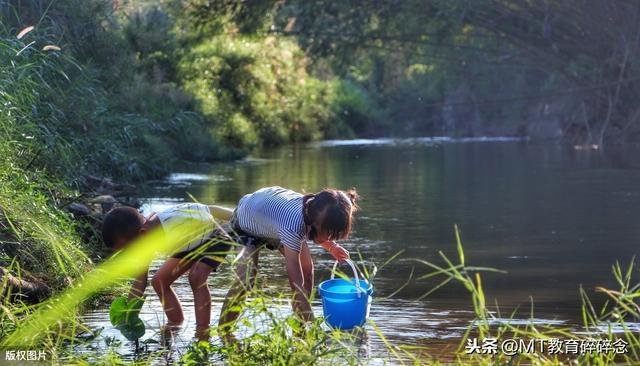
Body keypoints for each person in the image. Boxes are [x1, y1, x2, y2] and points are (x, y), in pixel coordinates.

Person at [219, 186, 358, 338]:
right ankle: (224, 331)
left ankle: (299, 331)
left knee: (307, 270)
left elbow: (317, 233)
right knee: (246, 279)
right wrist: (314, 328)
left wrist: (332, 246)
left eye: (332, 234)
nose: (329, 237)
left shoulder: (314, 209)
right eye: (326, 232)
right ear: (312, 218)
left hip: (273, 220)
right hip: (247, 220)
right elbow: (296, 284)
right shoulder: (293, 226)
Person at [102, 202, 242, 340]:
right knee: (159, 281)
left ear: (143, 234)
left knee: (197, 277)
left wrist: (240, 217)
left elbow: (210, 209)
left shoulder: (177, 221)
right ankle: (175, 324)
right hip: (188, 243)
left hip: (216, 233)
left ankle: (202, 331)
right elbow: (140, 278)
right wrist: (128, 313)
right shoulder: (147, 237)